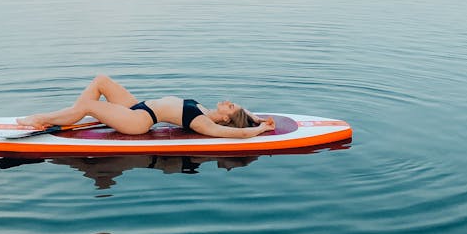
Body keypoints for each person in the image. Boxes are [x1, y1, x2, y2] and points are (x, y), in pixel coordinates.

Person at [17, 74, 275, 138]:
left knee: (89, 105)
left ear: (227, 119)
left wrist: (258, 131)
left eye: (231, 108)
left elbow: (238, 133)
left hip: (139, 121)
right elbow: (244, 118)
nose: (228, 102)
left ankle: (42, 118)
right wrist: (258, 119)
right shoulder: (205, 109)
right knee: (101, 81)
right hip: (137, 107)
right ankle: (69, 116)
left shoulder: (203, 122)